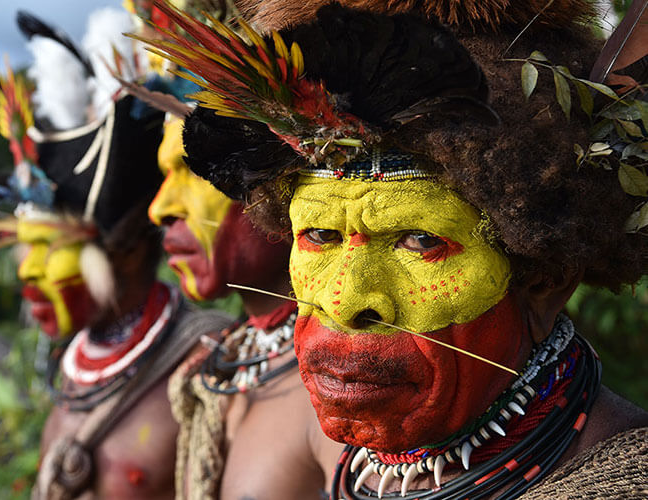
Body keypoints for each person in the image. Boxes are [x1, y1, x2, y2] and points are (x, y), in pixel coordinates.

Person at [142, 1, 648, 498]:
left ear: (546, 279)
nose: (344, 302)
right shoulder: (350, 469)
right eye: (319, 236)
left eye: (420, 240)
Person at [0, 8, 230, 499]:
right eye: (28, 249)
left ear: (127, 249)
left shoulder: (209, 363)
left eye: (50, 249)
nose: (27, 272)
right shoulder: (72, 370)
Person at [148, 114, 342, 499]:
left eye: (196, 169)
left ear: (282, 184)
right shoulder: (218, 371)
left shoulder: (348, 379)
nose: (161, 208)